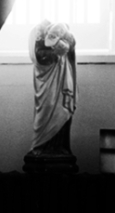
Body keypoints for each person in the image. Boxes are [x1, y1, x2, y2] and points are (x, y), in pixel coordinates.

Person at [26, 19, 77, 157]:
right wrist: (55, 51)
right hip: (46, 85)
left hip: (62, 83)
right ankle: (42, 147)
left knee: (63, 112)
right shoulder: (38, 37)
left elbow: (71, 48)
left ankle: (60, 148)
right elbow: (40, 56)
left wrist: (68, 43)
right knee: (46, 110)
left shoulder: (60, 34)